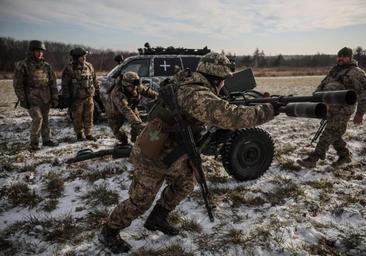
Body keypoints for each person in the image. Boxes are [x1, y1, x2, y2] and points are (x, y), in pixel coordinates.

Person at [98, 52, 276, 253]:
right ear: (217, 78)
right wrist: (268, 110)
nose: (224, 85)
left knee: (186, 183)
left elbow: (217, 107)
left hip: (173, 150)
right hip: (153, 153)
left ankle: (158, 217)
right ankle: (109, 231)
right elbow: (229, 117)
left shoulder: (193, 82)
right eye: (224, 80)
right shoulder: (195, 94)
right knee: (140, 202)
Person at [297, 47, 366, 168]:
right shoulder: (334, 70)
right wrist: (315, 99)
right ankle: (344, 156)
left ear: (350, 58)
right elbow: (322, 85)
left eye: (344, 56)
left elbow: (364, 93)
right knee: (334, 133)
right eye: (339, 56)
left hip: (344, 110)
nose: (340, 58)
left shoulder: (357, 72)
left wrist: (360, 114)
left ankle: (313, 158)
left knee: (329, 132)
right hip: (329, 108)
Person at [13, 40, 59, 150]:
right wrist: (23, 99)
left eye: (41, 51)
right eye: (37, 51)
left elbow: (53, 83)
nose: (40, 53)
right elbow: (17, 85)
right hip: (31, 99)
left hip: (45, 98)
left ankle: (46, 140)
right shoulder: (23, 65)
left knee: (46, 120)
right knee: (38, 119)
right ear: (32, 51)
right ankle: (34, 143)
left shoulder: (47, 66)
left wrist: (55, 97)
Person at [103, 71, 158, 145]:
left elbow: (147, 92)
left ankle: (136, 141)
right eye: (132, 86)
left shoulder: (136, 86)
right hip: (115, 112)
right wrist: (136, 123)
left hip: (131, 107)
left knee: (137, 126)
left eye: (136, 86)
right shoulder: (117, 93)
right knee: (117, 131)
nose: (135, 88)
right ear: (126, 85)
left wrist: (158, 96)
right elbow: (125, 110)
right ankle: (124, 142)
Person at [61, 47, 99, 141]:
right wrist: (67, 97)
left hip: (89, 97)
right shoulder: (69, 68)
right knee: (77, 118)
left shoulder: (89, 66)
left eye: (84, 56)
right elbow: (65, 84)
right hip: (76, 99)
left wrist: (97, 91)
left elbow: (94, 79)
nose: (84, 58)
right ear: (76, 58)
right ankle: (79, 134)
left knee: (89, 116)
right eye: (82, 57)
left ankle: (88, 134)